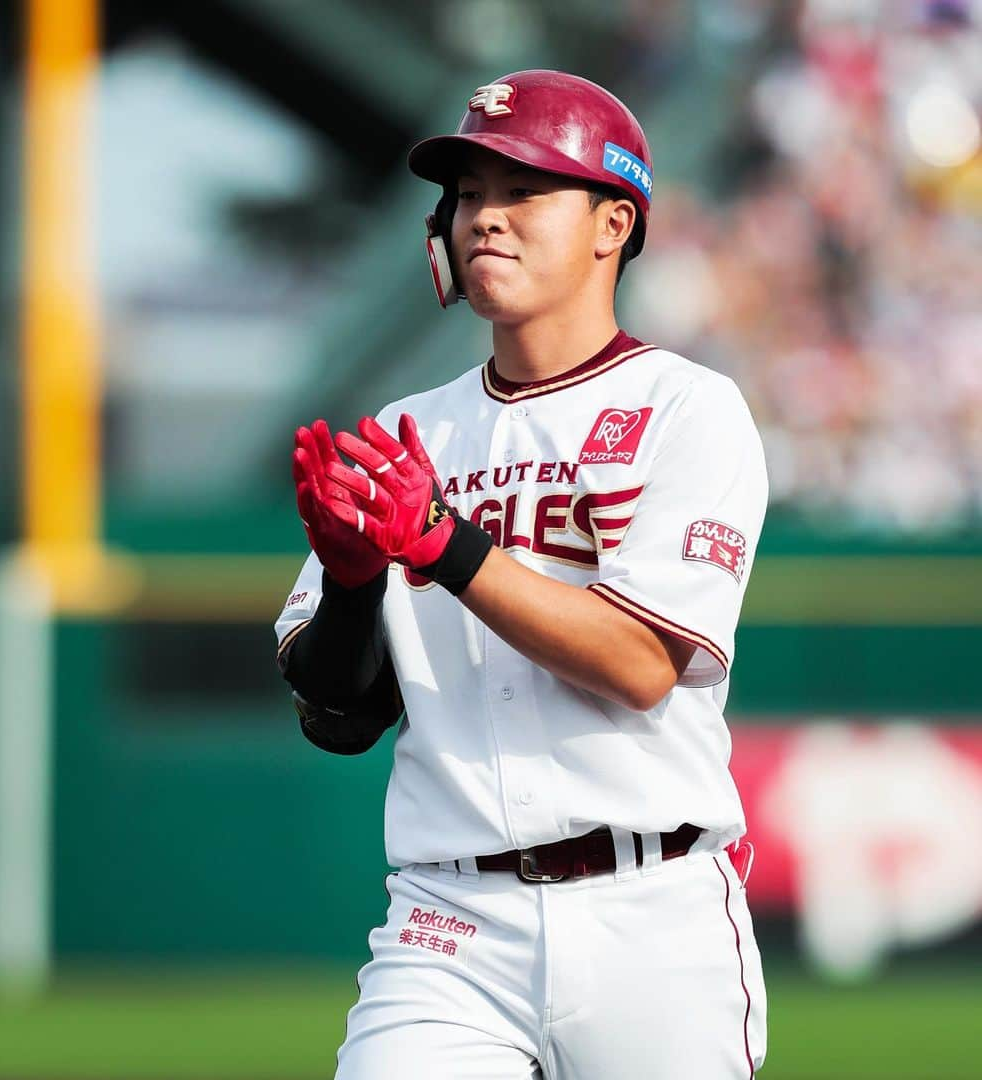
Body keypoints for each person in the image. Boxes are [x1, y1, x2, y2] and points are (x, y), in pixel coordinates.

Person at [275, 69, 769, 1079]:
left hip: (651, 911)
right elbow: (337, 715)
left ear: (612, 224)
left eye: (523, 190)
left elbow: (638, 665)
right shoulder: (408, 430)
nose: (484, 219)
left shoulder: (688, 409)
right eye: (468, 195)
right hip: (449, 921)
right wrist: (356, 579)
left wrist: (444, 544)